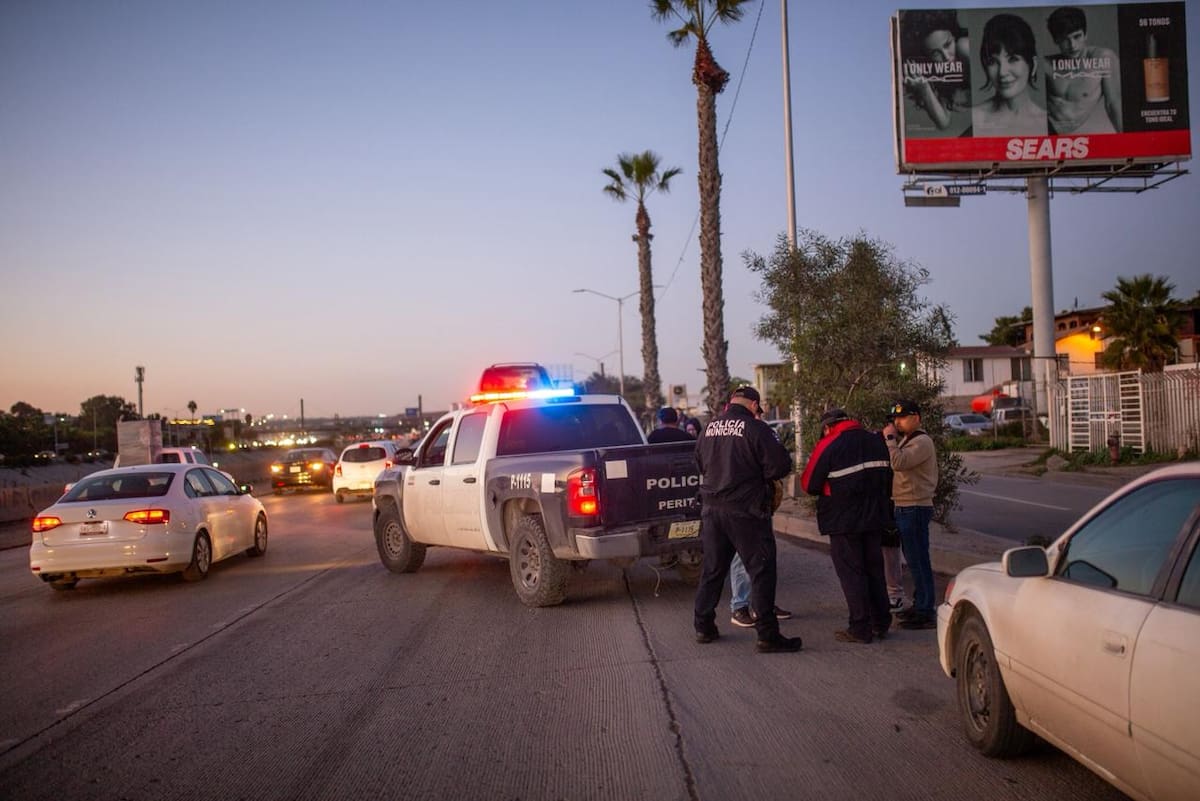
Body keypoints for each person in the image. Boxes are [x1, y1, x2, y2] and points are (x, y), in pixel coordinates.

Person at [693, 385, 801, 653]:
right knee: (762, 570)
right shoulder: (756, 428)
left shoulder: (709, 428)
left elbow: (699, 463)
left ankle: (703, 626)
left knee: (712, 570)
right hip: (746, 511)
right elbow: (780, 466)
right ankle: (768, 635)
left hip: (712, 510)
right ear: (754, 405)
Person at [801, 408, 894, 644]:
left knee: (852, 573)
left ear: (827, 427)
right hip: (874, 518)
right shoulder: (876, 441)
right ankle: (881, 622)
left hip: (843, 521)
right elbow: (889, 478)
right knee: (874, 569)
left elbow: (809, 484)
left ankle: (860, 628)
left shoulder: (829, 444)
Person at [729, 402, 792, 629]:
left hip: (760, 503)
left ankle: (762, 604)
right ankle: (740, 606)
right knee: (741, 558)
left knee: (764, 557)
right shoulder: (738, 433)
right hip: (743, 505)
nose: (757, 416)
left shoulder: (758, 431)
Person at [882, 400, 939, 631]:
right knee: (914, 560)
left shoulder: (922, 441)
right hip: (905, 505)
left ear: (916, 417)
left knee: (918, 560)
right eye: (895, 419)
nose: (897, 422)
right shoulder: (908, 440)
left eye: (903, 417)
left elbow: (898, 462)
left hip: (915, 506)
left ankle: (926, 610)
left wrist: (889, 439)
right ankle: (920, 605)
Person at [1044, 6, 1122, 134]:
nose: (1072, 45)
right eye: (1064, 39)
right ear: (1055, 40)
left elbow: (1113, 103)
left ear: (1085, 34)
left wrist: (1126, 142)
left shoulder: (1103, 58)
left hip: (1058, 136)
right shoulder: (1046, 65)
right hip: (1041, 129)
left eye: (1077, 36)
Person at [972, 13, 1047, 137]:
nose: (1002, 72)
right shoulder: (975, 118)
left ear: (1032, 64)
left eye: (1013, 59)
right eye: (992, 62)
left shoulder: (1046, 123)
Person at [900, 9, 972, 136]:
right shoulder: (939, 72)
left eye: (948, 44)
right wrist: (924, 87)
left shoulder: (963, 46)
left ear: (954, 35)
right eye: (935, 53)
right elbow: (943, 122)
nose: (946, 57)